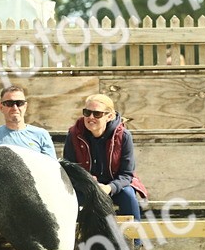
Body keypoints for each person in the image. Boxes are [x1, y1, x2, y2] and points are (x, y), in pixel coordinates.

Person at [62, 93, 148, 226]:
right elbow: (69, 169)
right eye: (87, 112)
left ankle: (136, 242)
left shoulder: (123, 136)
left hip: (115, 185)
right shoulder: (74, 134)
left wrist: (109, 188)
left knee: (129, 196)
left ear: (110, 116)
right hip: (85, 185)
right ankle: (73, 243)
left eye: (97, 114)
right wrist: (90, 184)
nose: (90, 117)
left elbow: (126, 174)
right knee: (70, 200)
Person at [0, 85, 56, 158]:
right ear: (1, 107)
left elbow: (52, 168)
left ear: (25, 106)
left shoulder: (41, 135)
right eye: (9, 103)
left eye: (19, 103)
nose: (15, 108)